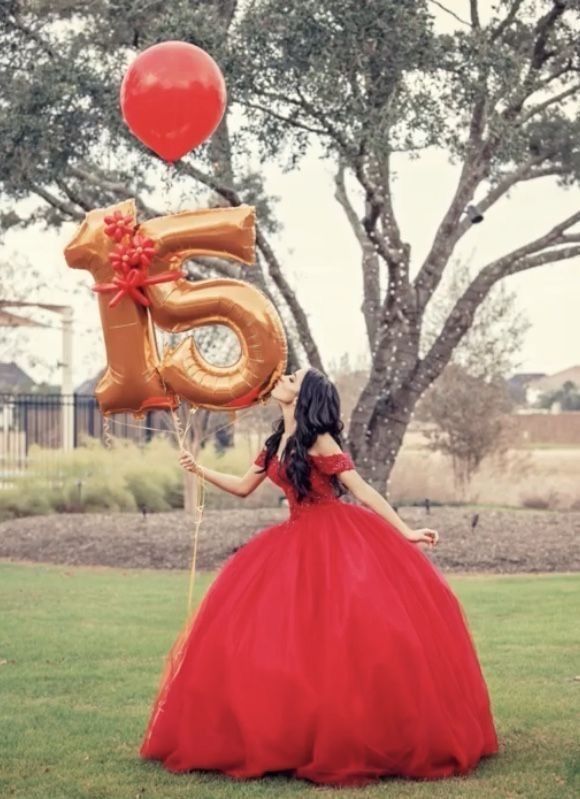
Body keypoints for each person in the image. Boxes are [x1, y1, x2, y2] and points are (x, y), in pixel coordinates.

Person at [139, 367, 499, 787]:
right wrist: (198, 469)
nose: (283, 377)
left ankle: (354, 731)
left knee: (342, 638)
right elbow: (242, 487)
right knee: (275, 638)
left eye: (293, 377)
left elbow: (362, 490)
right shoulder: (276, 442)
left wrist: (405, 532)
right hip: (293, 537)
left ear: (304, 394)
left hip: (335, 538)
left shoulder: (318, 439)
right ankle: (288, 733)